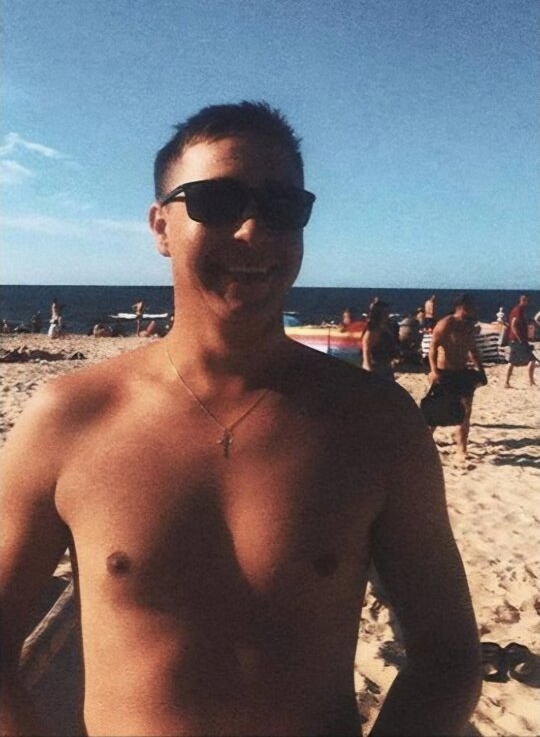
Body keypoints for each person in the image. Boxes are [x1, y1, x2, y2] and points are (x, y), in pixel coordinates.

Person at [0, 102, 481, 737]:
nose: (254, 230)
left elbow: (447, 658)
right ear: (161, 226)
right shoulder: (70, 418)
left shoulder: (376, 424)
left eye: (282, 208)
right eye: (217, 202)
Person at [428, 293, 487, 459]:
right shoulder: (446, 323)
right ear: (463, 306)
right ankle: (424, 441)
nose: (476, 309)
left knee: (465, 411)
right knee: (436, 410)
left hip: (462, 372)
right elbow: (433, 348)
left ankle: (462, 448)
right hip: (444, 372)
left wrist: (481, 370)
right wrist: (434, 370)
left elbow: (473, 351)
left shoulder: (469, 326)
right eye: (473, 306)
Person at [361, 299, 398, 381]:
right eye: (386, 312)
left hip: (386, 366)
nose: (388, 314)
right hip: (376, 367)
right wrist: (368, 368)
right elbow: (366, 352)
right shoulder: (372, 331)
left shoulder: (385, 328)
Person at [504, 294, 536, 388]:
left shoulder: (517, 310)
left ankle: (506, 382)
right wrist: (520, 339)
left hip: (514, 339)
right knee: (532, 359)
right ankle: (531, 382)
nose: (528, 303)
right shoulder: (518, 310)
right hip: (518, 340)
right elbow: (513, 325)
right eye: (527, 301)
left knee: (512, 361)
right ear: (523, 301)